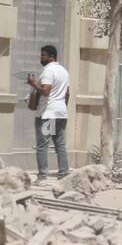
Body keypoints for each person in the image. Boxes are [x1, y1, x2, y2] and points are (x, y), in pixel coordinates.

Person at [27, 44, 71, 181]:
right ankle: (64, 174)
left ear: (51, 56)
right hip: (60, 113)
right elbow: (67, 94)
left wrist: (33, 83)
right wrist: (61, 108)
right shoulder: (64, 71)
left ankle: (42, 177)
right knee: (60, 144)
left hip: (47, 114)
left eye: (43, 55)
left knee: (42, 145)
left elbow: (45, 91)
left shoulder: (48, 71)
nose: (41, 57)